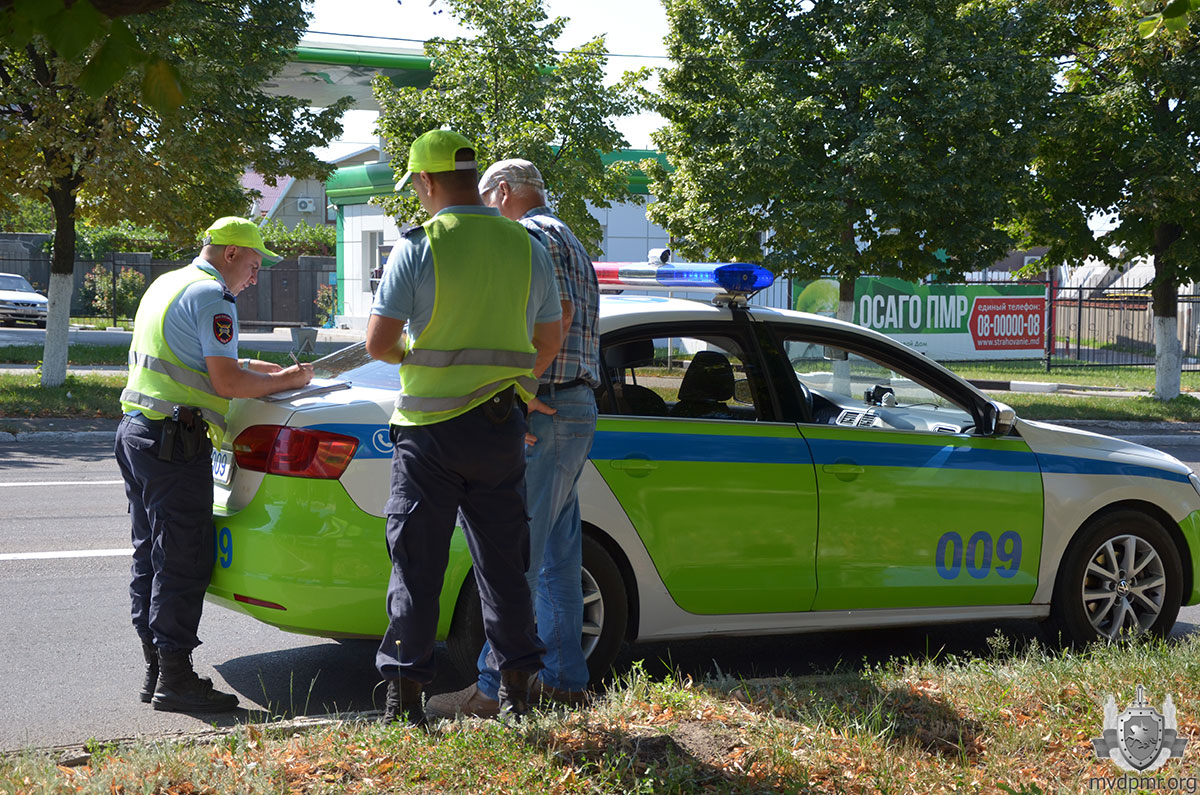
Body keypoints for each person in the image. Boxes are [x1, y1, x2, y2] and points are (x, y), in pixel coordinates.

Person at [366, 130, 564, 726]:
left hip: (428, 434)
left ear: (426, 182)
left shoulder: (419, 247)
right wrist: (521, 387)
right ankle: (520, 696)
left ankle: (404, 702)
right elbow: (550, 337)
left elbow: (379, 342)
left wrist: (419, 357)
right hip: (500, 428)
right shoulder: (525, 244)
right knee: (505, 566)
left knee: (417, 567)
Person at [116, 217, 314, 713]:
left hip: (139, 432)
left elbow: (198, 360)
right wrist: (285, 381)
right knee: (183, 560)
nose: (254, 275)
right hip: (174, 442)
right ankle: (175, 680)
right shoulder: (213, 296)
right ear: (230, 254)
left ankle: (155, 670)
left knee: (151, 554)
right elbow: (225, 382)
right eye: (252, 263)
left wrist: (264, 370)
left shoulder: (168, 282)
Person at [426, 158, 600, 720]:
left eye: (484, 198)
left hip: (546, 407)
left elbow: (560, 314)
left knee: (514, 558)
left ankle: (491, 685)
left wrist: (521, 389)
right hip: (574, 404)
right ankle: (566, 680)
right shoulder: (567, 235)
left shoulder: (524, 236)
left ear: (502, 192)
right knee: (556, 556)